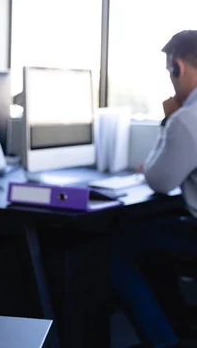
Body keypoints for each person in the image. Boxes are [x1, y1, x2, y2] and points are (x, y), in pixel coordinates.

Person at [111, 30, 197, 348]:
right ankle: (180, 328)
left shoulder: (186, 118)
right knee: (151, 242)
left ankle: (165, 342)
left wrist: (168, 121)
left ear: (178, 67)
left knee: (115, 248)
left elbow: (159, 181)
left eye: (169, 73)